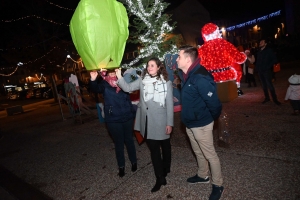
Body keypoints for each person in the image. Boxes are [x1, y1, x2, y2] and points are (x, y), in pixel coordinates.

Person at [115, 57, 174, 193]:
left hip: (161, 120)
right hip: (147, 121)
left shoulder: (166, 83)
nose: (149, 67)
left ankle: (166, 167)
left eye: (152, 65)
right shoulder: (142, 80)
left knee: (165, 146)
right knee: (154, 150)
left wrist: (170, 123)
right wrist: (119, 76)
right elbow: (128, 87)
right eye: (148, 65)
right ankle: (160, 178)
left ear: (159, 67)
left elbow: (170, 105)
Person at [176, 45, 224, 200]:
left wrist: (209, 119)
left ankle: (218, 184)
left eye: (179, 56)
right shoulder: (186, 74)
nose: (177, 59)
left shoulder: (200, 77)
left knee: (210, 155)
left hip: (201, 124)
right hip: (190, 123)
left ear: (188, 59)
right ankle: (203, 175)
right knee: (198, 152)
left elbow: (215, 104)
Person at [89, 69, 137, 177]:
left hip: (127, 116)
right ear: (106, 72)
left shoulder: (123, 80)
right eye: (109, 71)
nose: (112, 73)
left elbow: (132, 89)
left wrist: (120, 78)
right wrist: (93, 79)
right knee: (119, 143)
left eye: (114, 71)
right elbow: (95, 89)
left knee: (129, 140)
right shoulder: (104, 83)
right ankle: (121, 166)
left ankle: (134, 162)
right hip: (113, 118)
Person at [256, 39, 281, 105]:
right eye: (260, 42)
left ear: (265, 44)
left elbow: (274, 59)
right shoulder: (259, 51)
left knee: (269, 85)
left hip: (266, 71)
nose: (260, 43)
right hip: (260, 71)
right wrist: (257, 68)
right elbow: (258, 60)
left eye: (262, 42)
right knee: (264, 85)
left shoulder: (269, 51)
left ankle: (275, 99)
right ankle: (267, 98)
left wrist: (268, 66)